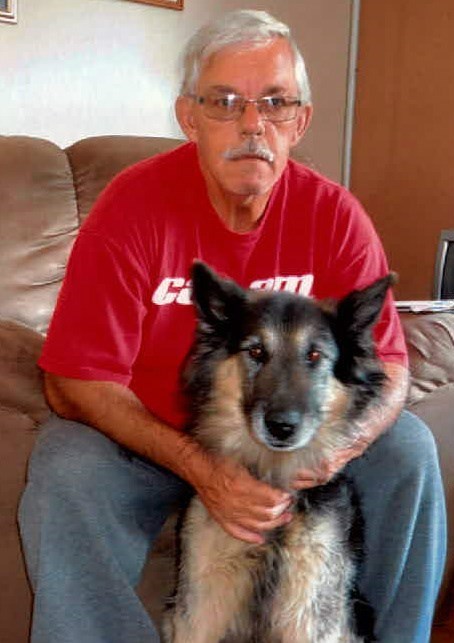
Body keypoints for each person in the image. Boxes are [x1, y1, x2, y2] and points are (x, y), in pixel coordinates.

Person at [19, 9, 446, 643]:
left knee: (409, 448)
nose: (252, 124)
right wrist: (204, 469)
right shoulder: (132, 209)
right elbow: (71, 381)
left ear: (300, 120)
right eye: (225, 102)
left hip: (298, 446)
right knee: (65, 468)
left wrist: (332, 454)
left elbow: (388, 366)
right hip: (150, 435)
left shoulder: (334, 215)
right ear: (188, 116)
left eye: (275, 102)